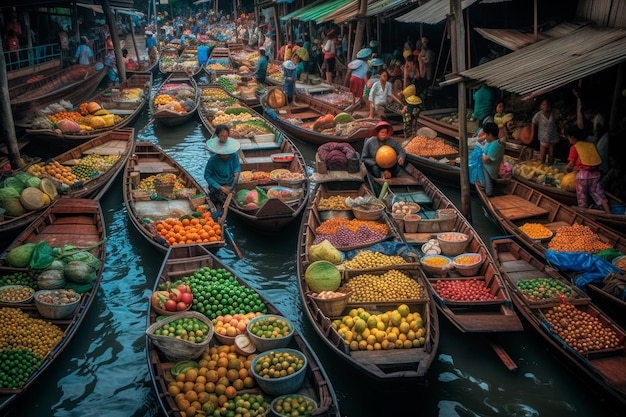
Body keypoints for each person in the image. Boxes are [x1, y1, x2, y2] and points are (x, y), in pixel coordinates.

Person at [564, 125, 611, 213]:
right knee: (599, 195)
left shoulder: (574, 147)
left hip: (582, 176)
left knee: (582, 197)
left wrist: (566, 170)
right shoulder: (590, 145)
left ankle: (583, 214)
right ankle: (609, 213)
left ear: (572, 137)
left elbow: (571, 163)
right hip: (595, 174)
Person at [204, 124, 241, 199]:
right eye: (222, 136)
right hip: (217, 184)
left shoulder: (234, 154)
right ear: (217, 136)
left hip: (230, 182)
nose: (224, 138)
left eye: (226, 136)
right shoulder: (213, 159)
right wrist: (220, 187)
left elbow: (237, 167)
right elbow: (207, 175)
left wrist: (236, 172)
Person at [531, 98, 562, 165]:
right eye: (544, 104)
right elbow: (533, 123)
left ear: (550, 105)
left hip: (553, 138)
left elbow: (559, 121)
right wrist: (532, 135)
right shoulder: (538, 115)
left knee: (551, 157)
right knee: (542, 158)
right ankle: (542, 169)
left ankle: (550, 168)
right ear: (541, 106)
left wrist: (562, 129)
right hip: (543, 139)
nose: (546, 106)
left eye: (547, 104)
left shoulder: (555, 113)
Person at [478, 122, 505, 197]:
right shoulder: (490, 142)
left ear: (490, 134)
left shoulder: (496, 145)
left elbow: (486, 160)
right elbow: (478, 139)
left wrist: (482, 153)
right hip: (486, 168)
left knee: (488, 192)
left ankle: (487, 192)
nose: (485, 137)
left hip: (488, 171)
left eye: (486, 135)